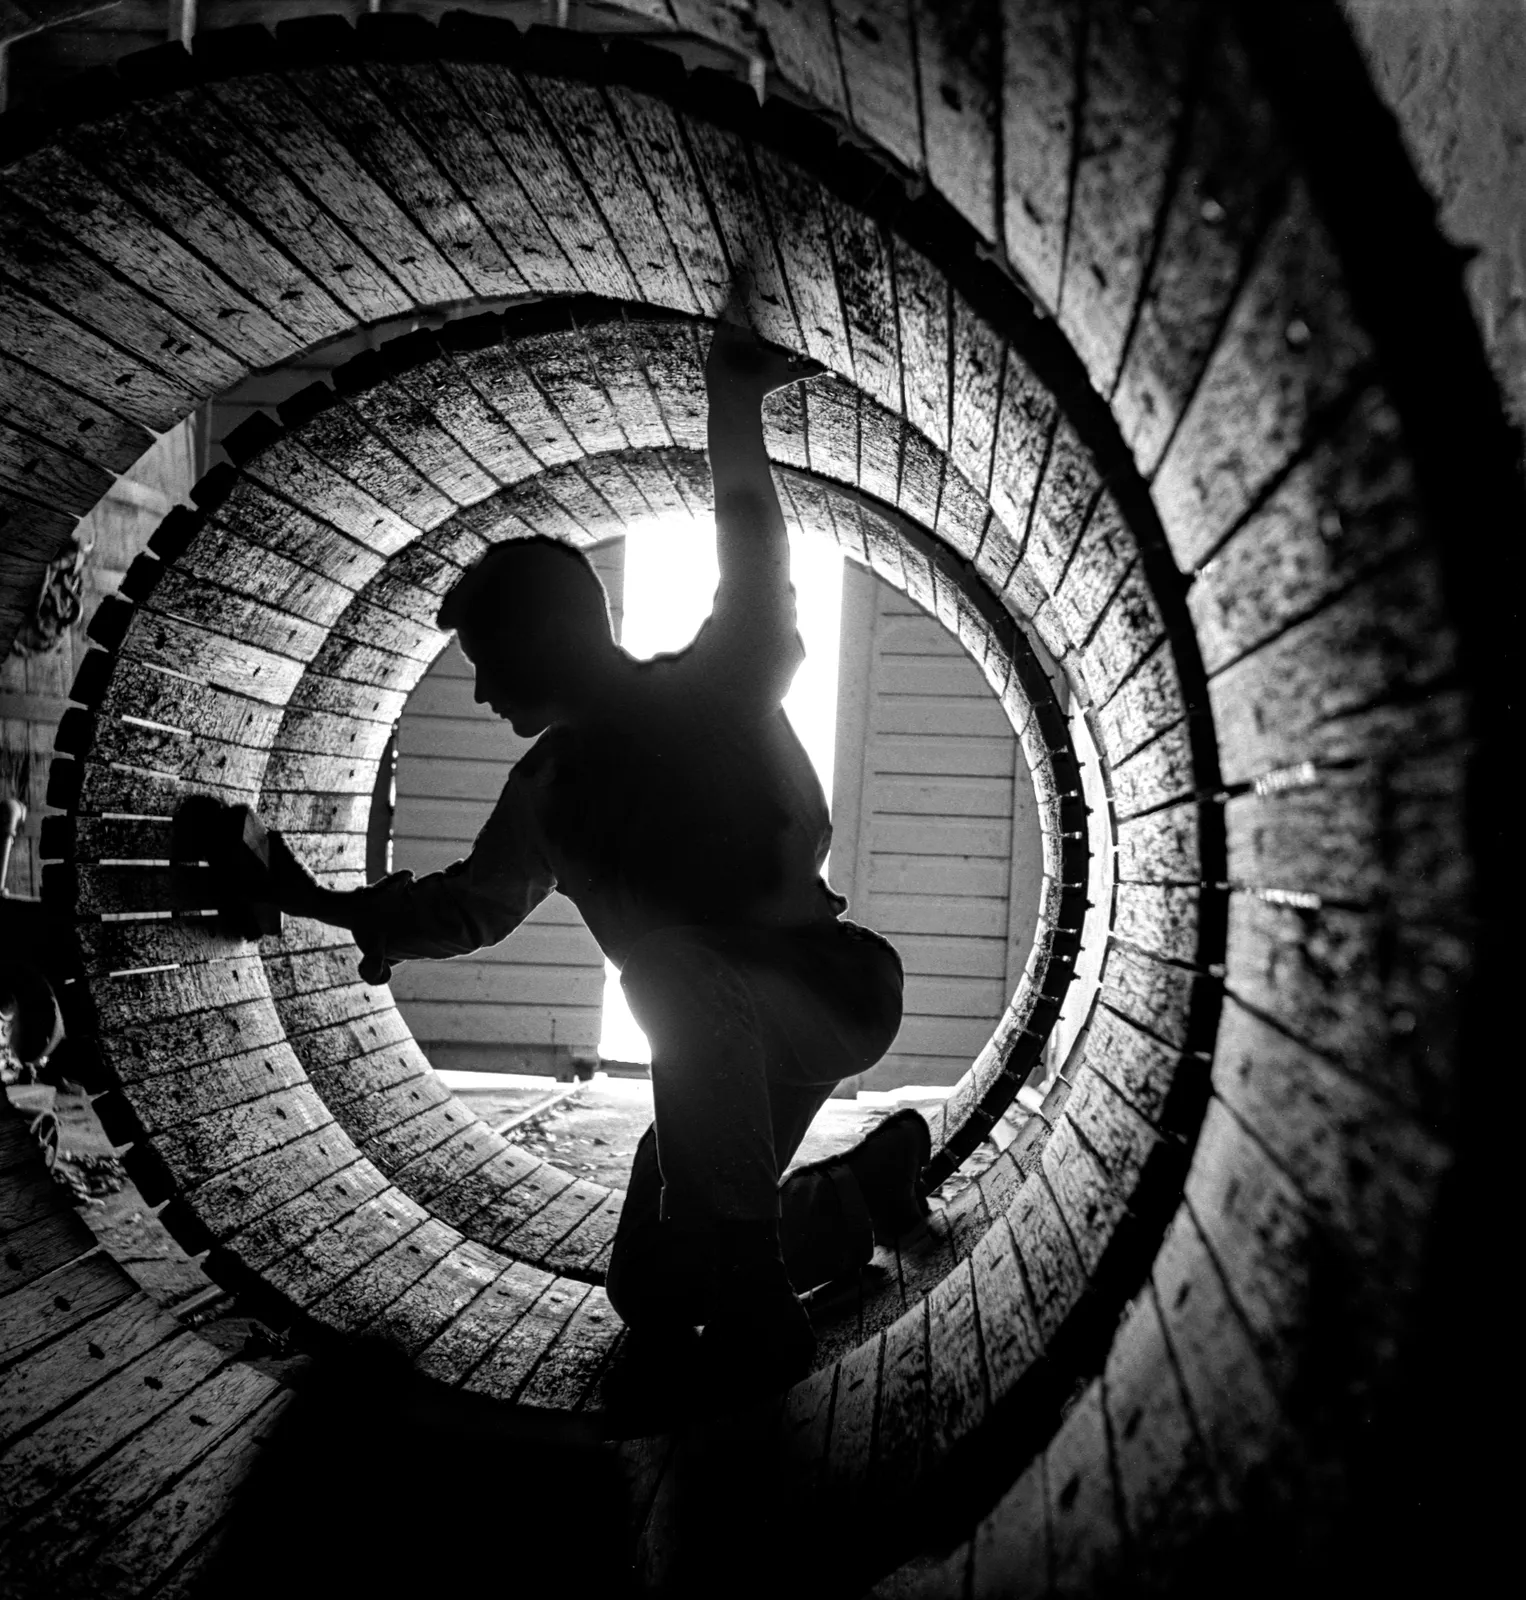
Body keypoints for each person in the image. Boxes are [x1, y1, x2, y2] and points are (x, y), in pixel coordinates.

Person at [250, 304, 931, 1408]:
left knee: (661, 974)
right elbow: (470, 906)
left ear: (548, 639)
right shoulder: (551, 791)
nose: (478, 689)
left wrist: (730, 400)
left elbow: (753, 542)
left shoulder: (715, 682)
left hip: (826, 991)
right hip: (723, 1047)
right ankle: (855, 1197)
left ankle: (758, 1287)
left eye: (485, 660)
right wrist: (318, 905)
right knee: (650, 1295)